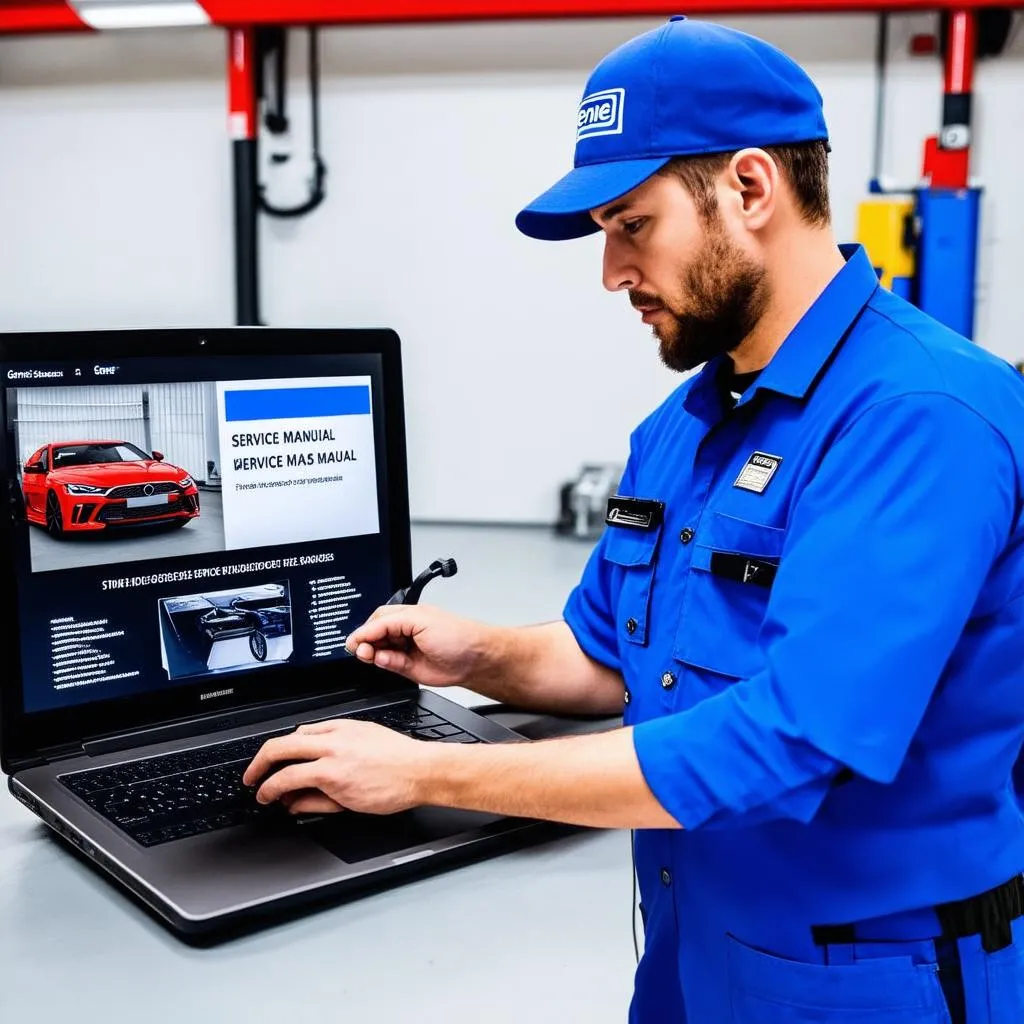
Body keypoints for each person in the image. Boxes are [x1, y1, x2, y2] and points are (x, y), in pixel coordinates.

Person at [243, 17, 1024, 1022]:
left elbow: (791, 738)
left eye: (630, 223)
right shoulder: (685, 423)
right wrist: (481, 654)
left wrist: (428, 772)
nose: (611, 271)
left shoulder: (919, 417)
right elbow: (614, 654)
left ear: (750, 188)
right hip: (691, 950)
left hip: (871, 976)